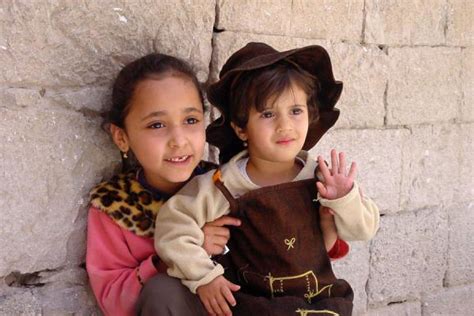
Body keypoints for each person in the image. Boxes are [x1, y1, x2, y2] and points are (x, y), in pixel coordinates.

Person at [154, 42, 380, 316]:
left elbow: (364, 229)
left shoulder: (322, 178)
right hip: (254, 306)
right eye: (268, 114)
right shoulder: (223, 185)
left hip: (320, 303)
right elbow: (172, 227)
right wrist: (203, 276)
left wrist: (345, 199)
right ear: (241, 128)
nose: (285, 125)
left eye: (295, 111)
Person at [85, 53, 242, 316]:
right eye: (157, 124)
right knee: (163, 290)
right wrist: (181, 252)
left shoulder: (225, 186)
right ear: (122, 137)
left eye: (190, 120)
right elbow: (113, 301)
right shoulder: (114, 207)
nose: (178, 140)